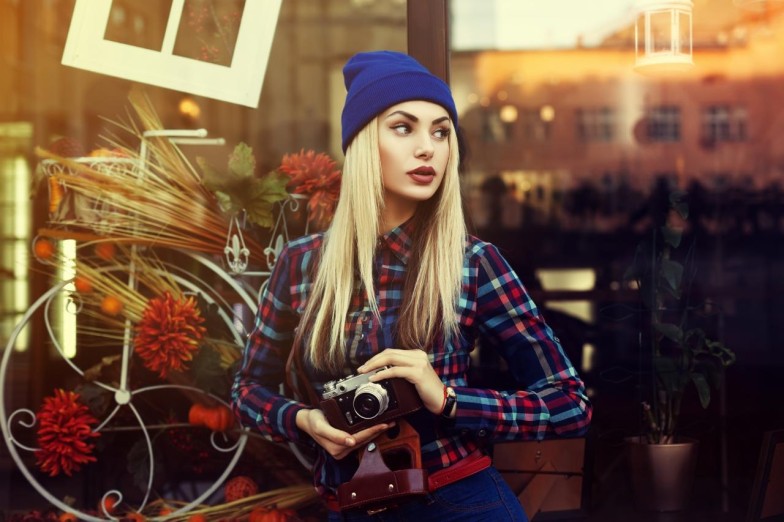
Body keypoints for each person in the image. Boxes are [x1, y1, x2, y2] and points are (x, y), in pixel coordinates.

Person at [232, 50, 592, 521]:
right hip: (350, 506)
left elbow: (569, 403)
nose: (428, 148)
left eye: (441, 132)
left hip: (460, 501)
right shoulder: (302, 264)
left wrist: (447, 399)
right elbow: (246, 390)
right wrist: (304, 420)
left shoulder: (473, 264)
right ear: (363, 142)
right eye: (404, 127)